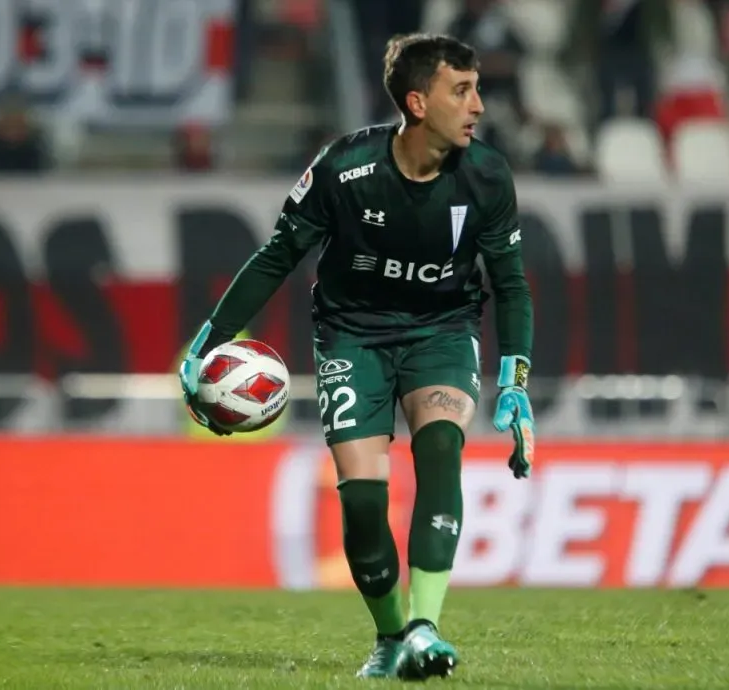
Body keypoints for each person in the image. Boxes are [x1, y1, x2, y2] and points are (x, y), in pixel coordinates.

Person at [178, 33, 534, 680]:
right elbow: (279, 255)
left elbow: (509, 284)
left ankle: (426, 627)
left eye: (477, 88)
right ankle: (391, 634)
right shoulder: (345, 169)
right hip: (352, 336)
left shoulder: (486, 176)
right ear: (419, 102)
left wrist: (514, 378)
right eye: (464, 90)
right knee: (365, 500)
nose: (479, 105)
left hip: (443, 332)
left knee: (440, 452)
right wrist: (210, 335)